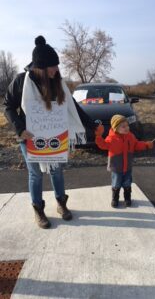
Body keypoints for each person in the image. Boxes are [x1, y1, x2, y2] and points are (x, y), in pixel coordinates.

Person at [3, 35, 100, 229]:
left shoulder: (57, 83)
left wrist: (93, 125)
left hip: (55, 136)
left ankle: (61, 204)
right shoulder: (21, 82)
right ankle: (38, 209)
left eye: (57, 65)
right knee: (36, 174)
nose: (57, 69)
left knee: (56, 170)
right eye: (53, 66)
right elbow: (8, 107)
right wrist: (20, 129)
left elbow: (73, 106)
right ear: (41, 66)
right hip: (29, 137)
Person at [95, 114, 154, 207]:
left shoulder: (130, 136)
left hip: (128, 167)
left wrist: (146, 145)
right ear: (115, 128)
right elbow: (103, 145)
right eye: (123, 126)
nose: (126, 128)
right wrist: (98, 136)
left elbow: (136, 145)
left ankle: (127, 198)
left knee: (127, 183)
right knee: (116, 183)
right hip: (116, 167)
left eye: (127, 125)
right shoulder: (111, 138)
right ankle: (115, 198)